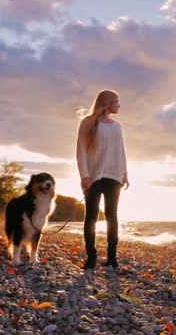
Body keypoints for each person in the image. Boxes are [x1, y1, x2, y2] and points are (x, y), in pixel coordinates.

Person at [76, 89, 129, 270]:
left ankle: (112, 259)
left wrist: (125, 173)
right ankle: (91, 258)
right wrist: (84, 176)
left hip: (114, 177)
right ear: (107, 103)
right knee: (90, 217)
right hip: (93, 177)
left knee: (111, 216)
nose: (119, 105)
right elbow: (81, 151)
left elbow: (121, 151)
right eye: (117, 102)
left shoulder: (117, 126)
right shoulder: (88, 123)